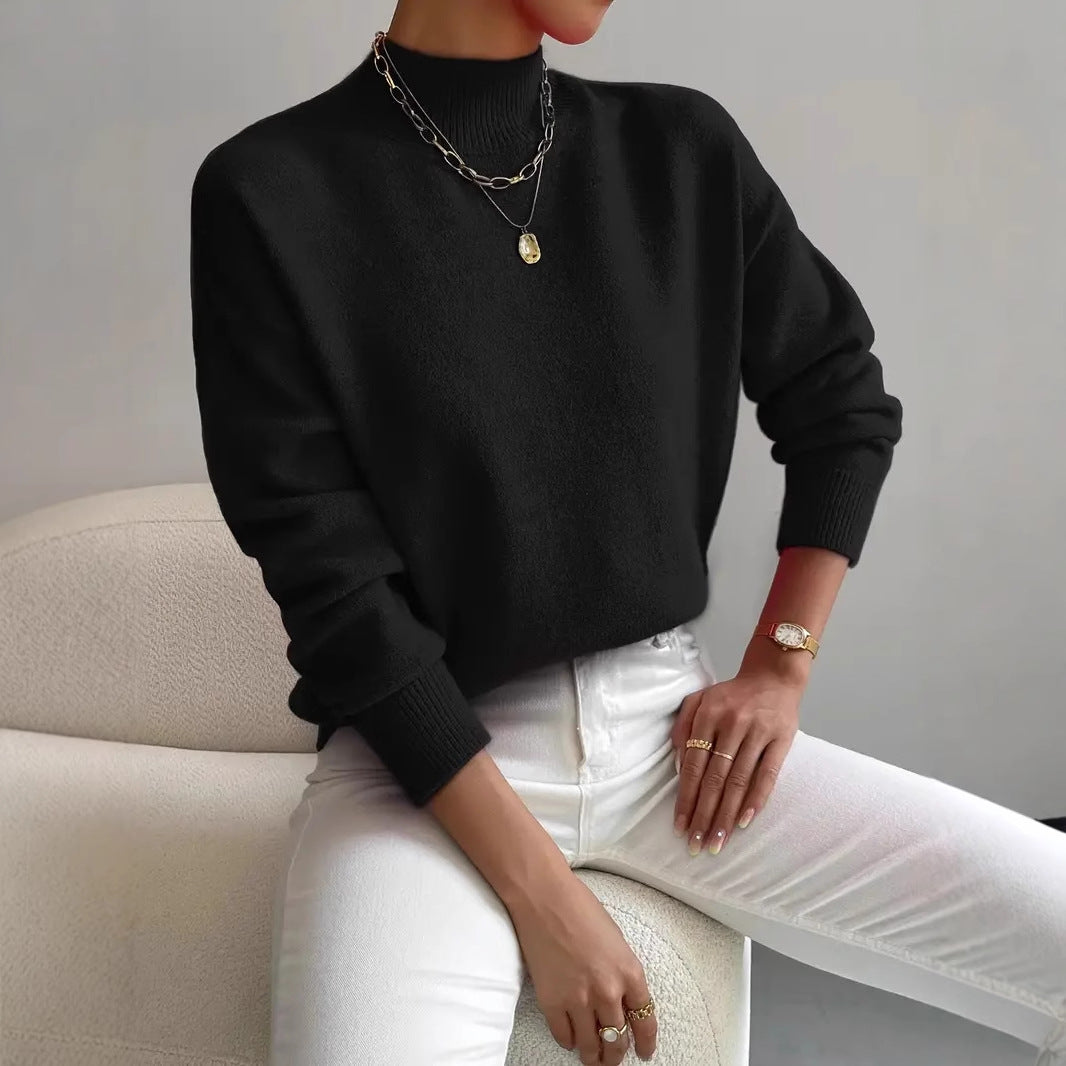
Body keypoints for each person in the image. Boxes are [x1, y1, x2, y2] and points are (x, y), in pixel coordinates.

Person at [187, 2, 1066, 1064]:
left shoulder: (680, 149)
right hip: (418, 775)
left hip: (670, 740)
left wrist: (780, 664)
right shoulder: (270, 192)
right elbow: (336, 595)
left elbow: (841, 401)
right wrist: (543, 897)